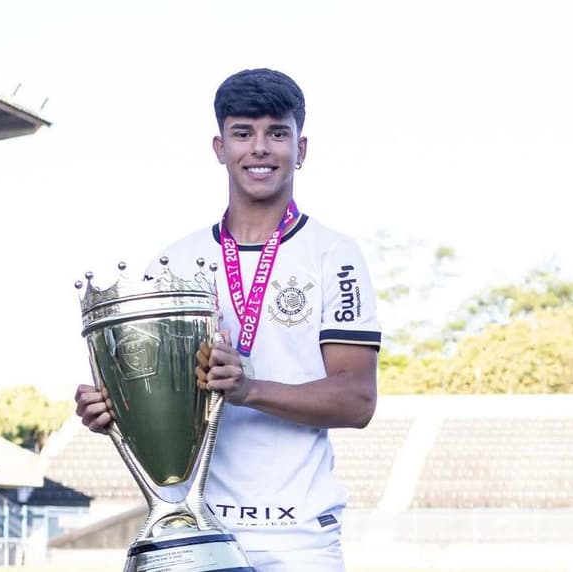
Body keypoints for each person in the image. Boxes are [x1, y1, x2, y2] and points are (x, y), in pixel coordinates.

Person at [74, 68, 381, 571]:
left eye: (277, 133)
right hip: (192, 534)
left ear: (301, 149)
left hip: (297, 541)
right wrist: (113, 411)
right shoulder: (175, 263)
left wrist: (248, 389)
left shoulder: (334, 255)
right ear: (220, 147)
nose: (259, 148)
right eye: (243, 133)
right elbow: (155, 397)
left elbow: (358, 400)